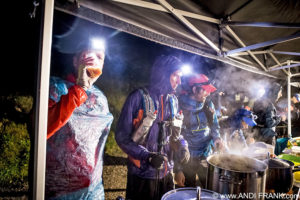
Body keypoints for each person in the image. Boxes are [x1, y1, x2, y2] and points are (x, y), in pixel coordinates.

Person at [46, 38, 113, 199]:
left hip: (93, 188)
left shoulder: (100, 98)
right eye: (87, 55)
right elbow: (41, 129)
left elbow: (98, 143)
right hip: (60, 189)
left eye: (99, 57)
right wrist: (79, 89)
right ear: (75, 61)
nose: (94, 60)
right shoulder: (55, 87)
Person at [115, 55, 190, 200]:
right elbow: (122, 137)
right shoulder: (137, 97)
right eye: (175, 75)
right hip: (141, 175)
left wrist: (182, 146)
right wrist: (147, 156)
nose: (179, 81)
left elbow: (174, 135)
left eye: (180, 77)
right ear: (163, 73)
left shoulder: (173, 101)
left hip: (167, 173)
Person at [174, 74, 223, 188]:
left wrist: (217, 138)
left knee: (209, 187)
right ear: (195, 89)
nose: (208, 93)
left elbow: (214, 124)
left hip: (206, 155)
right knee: (188, 190)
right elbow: (174, 139)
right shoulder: (179, 106)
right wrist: (178, 169)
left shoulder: (208, 104)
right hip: (187, 158)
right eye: (205, 90)